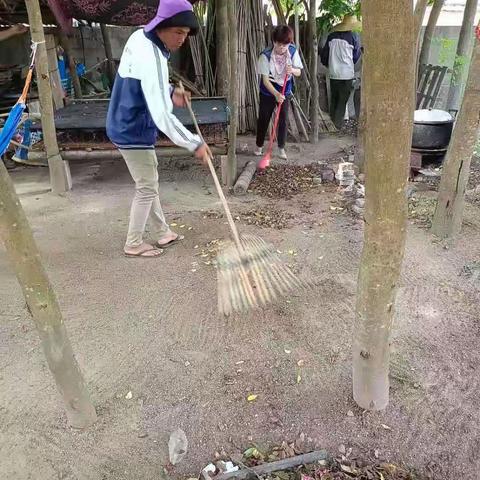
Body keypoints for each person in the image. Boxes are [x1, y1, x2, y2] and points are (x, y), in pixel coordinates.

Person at [106, 0, 211, 258]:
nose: (182, 40)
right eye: (178, 32)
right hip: (132, 127)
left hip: (127, 122)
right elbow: (162, 114)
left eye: (186, 35)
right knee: (146, 186)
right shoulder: (151, 53)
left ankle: (163, 232)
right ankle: (133, 243)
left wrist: (170, 92)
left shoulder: (140, 39)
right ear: (161, 26)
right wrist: (194, 142)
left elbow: (147, 84)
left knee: (148, 181)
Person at [255, 25, 303, 162]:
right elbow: (265, 80)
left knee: (283, 119)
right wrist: (276, 94)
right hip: (268, 91)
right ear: (274, 41)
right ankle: (259, 146)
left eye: (285, 44)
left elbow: (299, 72)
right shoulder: (265, 56)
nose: (282, 47)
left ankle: (281, 147)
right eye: (279, 44)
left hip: (285, 89)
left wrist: (292, 70)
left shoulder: (292, 52)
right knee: (264, 118)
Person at [320, 15, 361, 129]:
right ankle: (337, 125)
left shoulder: (331, 36)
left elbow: (324, 54)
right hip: (346, 74)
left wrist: (328, 64)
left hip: (334, 72)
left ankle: (332, 123)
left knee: (334, 98)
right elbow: (356, 56)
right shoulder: (354, 37)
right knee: (342, 101)